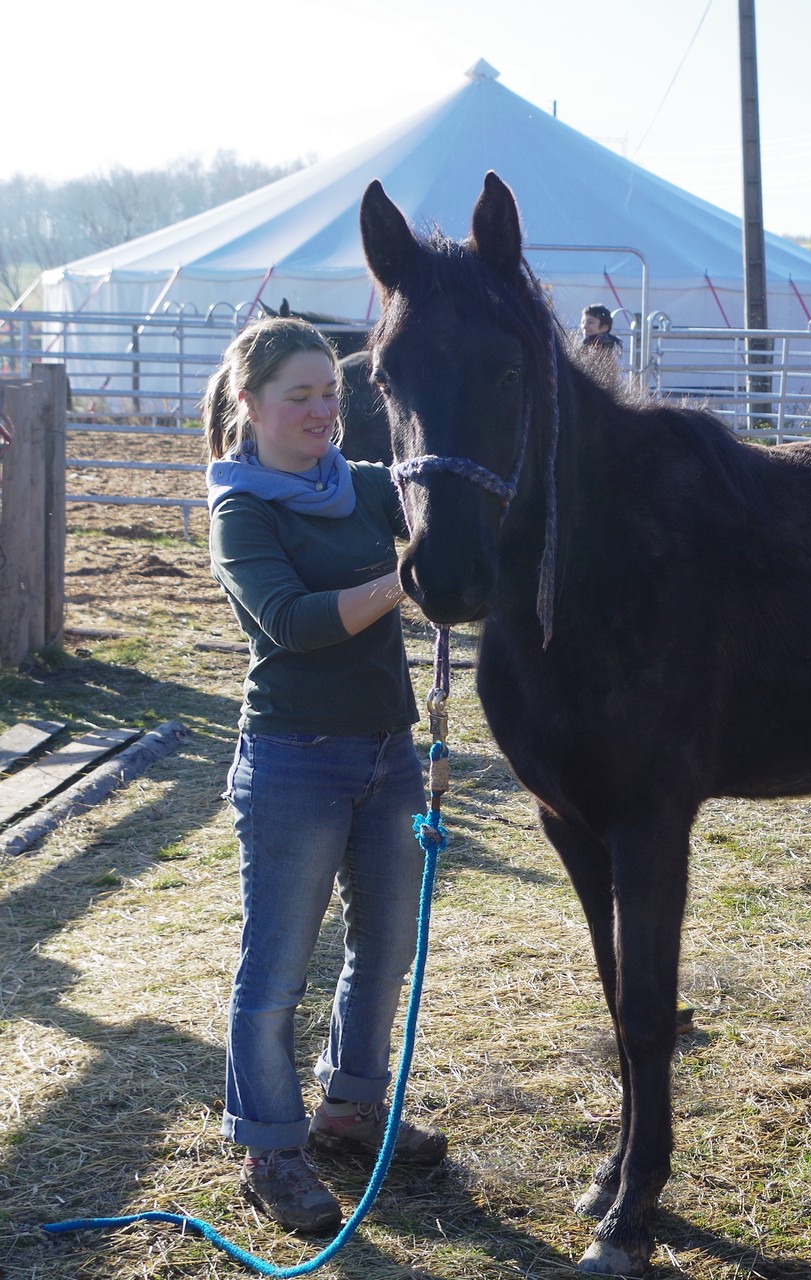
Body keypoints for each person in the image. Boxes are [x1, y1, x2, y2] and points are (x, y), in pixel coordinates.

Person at [203, 317, 446, 1236]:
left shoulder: (364, 485)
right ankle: (270, 1147)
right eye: (297, 395)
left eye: (328, 393)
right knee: (275, 973)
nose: (318, 410)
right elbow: (293, 623)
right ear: (251, 405)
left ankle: (349, 1108)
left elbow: (444, 490)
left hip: (389, 750)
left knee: (384, 950)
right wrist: (405, 578)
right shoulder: (243, 509)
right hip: (293, 760)